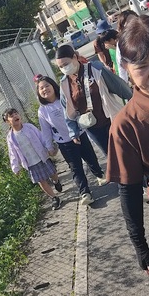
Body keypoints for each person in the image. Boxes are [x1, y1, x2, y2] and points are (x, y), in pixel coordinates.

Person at [107, 15, 149, 280]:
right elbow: (129, 190)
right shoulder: (126, 125)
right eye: (142, 66)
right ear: (125, 66)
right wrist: (141, 247)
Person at [35, 75, 107, 206]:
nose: (45, 89)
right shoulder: (42, 111)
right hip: (64, 142)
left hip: (80, 134)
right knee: (75, 168)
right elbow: (45, 130)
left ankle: (99, 175)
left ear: (53, 86)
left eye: (47, 85)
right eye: (41, 88)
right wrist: (49, 146)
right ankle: (85, 193)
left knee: (90, 158)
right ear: (39, 93)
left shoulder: (65, 98)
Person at [55, 45, 132, 155]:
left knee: (127, 151)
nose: (64, 68)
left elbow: (119, 86)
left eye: (66, 64)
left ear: (74, 57)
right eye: (60, 67)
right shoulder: (64, 83)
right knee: (111, 156)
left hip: (110, 119)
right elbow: (66, 109)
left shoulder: (95, 69)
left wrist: (135, 101)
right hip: (92, 127)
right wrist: (73, 131)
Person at [3, 107, 62, 211]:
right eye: (11, 116)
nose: (15, 116)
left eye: (16, 113)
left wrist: (49, 147)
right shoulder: (11, 137)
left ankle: (56, 181)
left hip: (42, 156)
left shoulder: (29, 127)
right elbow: (12, 153)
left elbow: (41, 137)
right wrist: (15, 167)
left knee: (53, 173)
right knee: (41, 181)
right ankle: (54, 198)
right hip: (30, 163)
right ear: (7, 122)